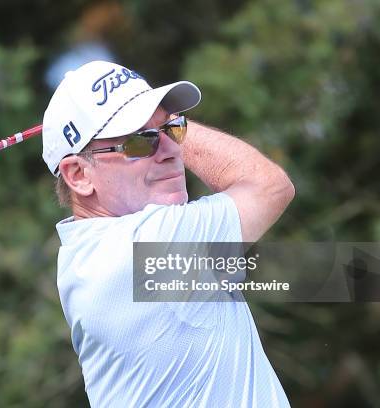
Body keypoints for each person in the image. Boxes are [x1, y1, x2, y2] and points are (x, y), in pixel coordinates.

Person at [41, 60, 294, 407]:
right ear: (79, 175)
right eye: (140, 141)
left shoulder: (83, 256)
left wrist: (150, 118)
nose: (173, 150)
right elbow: (268, 186)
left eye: (173, 129)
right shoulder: (147, 248)